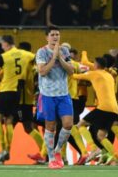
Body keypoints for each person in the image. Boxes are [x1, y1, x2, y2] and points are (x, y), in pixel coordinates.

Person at [0, 35, 35, 163]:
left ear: (6, 43)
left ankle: (3, 149)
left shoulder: (4, 57)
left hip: (5, 90)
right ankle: (5, 151)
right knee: (9, 120)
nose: (2, 47)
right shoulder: (26, 54)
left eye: (2, 44)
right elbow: (37, 62)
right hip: (17, 92)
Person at [36, 26, 74, 169]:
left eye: (57, 34)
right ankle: (51, 158)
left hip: (63, 94)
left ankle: (57, 151)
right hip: (48, 95)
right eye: (52, 35)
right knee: (50, 127)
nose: (55, 37)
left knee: (68, 124)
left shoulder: (64, 51)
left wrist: (60, 58)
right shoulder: (41, 52)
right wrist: (54, 57)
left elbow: (71, 71)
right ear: (47, 37)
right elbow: (42, 71)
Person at [73, 57, 118, 165]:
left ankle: (94, 148)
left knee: (81, 125)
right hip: (114, 109)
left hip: (103, 107)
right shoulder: (109, 75)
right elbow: (86, 62)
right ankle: (116, 159)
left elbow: (74, 76)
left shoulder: (93, 74)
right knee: (101, 135)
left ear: (95, 65)